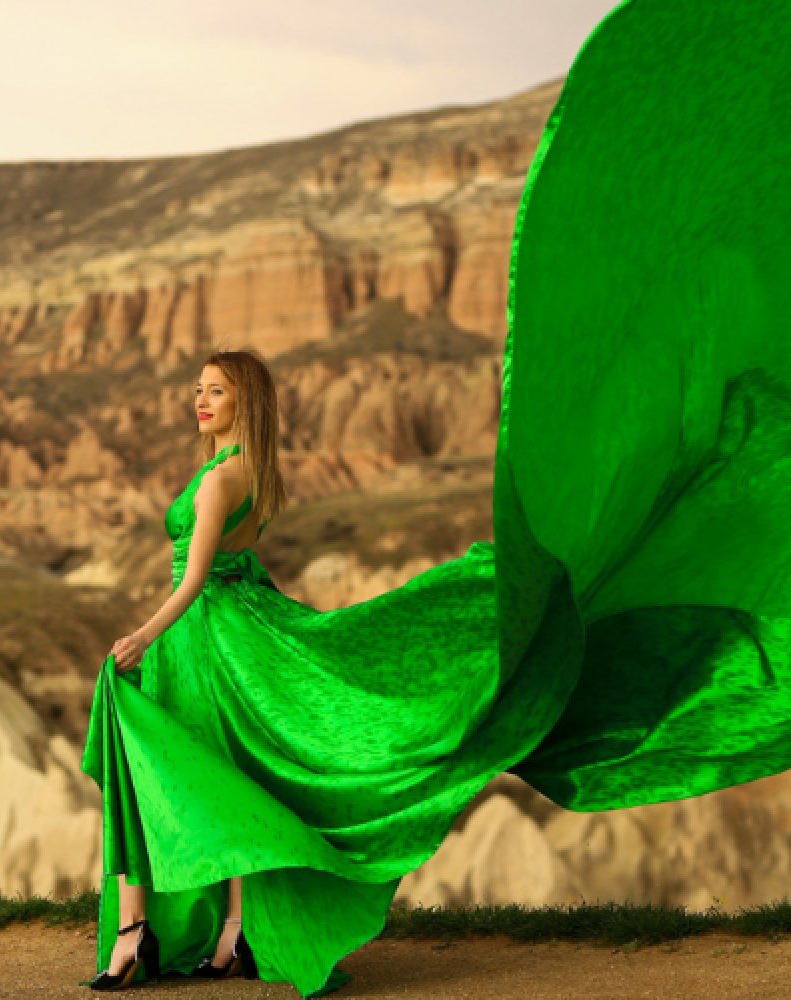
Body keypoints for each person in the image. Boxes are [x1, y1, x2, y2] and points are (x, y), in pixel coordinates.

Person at [79, 0, 791, 996]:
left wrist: (142, 636)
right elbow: (243, 565)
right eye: (194, 388)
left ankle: (141, 934)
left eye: (213, 388)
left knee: (163, 769)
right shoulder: (257, 473)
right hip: (244, 630)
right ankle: (233, 931)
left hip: (206, 640)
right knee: (237, 780)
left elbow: (197, 573)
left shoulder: (220, 477)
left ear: (240, 400)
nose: (197, 399)